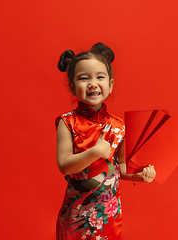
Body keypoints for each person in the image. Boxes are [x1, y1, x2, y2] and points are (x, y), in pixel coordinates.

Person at [55, 42, 156, 240]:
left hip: (108, 214)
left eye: (100, 77)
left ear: (110, 85)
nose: (93, 83)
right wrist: (94, 152)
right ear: (72, 87)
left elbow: (119, 168)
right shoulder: (67, 122)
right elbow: (64, 166)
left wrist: (140, 176)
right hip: (76, 215)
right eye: (84, 78)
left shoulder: (119, 126)